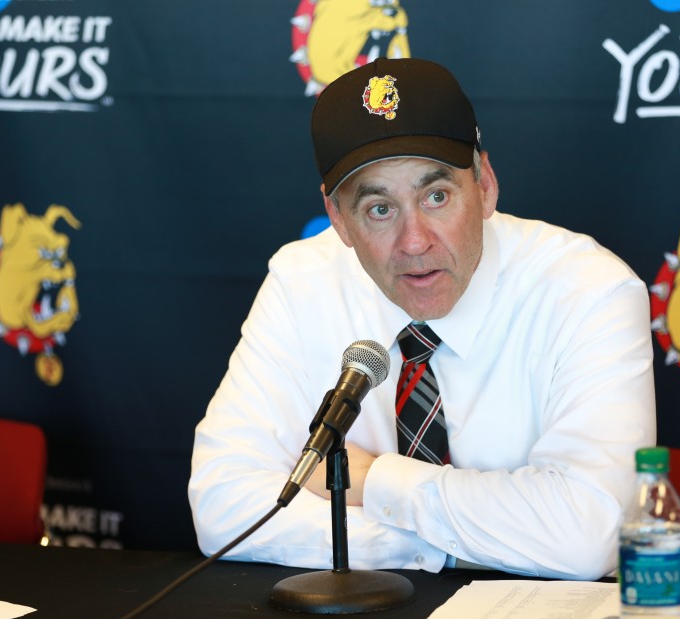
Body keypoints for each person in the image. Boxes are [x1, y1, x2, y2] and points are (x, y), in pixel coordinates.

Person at [188, 58, 655, 579]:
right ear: (339, 218)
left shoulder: (589, 291)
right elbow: (223, 508)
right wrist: (441, 547)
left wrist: (372, 482)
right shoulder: (301, 281)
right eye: (379, 209)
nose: (415, 242)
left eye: (436, 196)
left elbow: (589, 537)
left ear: (485, 186)